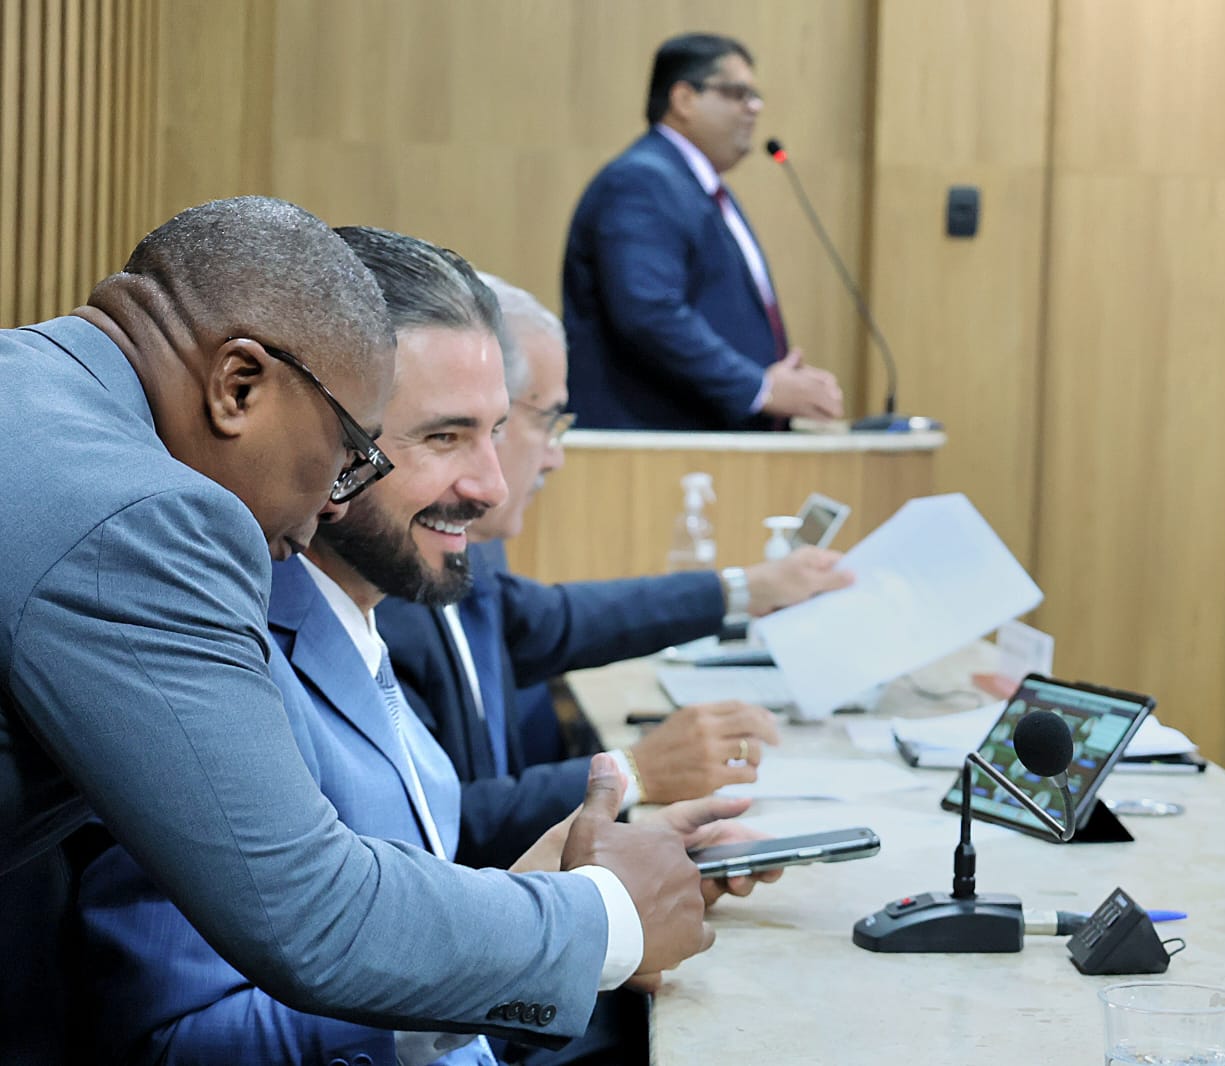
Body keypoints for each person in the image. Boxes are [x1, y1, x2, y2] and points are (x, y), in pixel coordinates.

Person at [0, 199, 705, 1064]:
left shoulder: (34, 386)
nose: (338, 498)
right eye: (352, 451)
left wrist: (523, 903)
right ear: (238, 386)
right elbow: (308, 918)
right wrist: (606, 919)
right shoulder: (148, 520)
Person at [379, 274, 852, 867]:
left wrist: (744, 590)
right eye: (546, 421)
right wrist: (633, 773)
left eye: (497, 428)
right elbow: (432, 835)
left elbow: (545, 621)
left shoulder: (466, 548)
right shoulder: (387, 573)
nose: (553, 456)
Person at [562, 32, 844, 431]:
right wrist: (758, 388)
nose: (755, 108)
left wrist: (771, 382)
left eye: (755, 96)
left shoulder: (698, 186)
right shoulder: (642, 181)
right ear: (684, 99)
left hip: (705, 438)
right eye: (738, 94)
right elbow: (649, 312)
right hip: (654, 441)